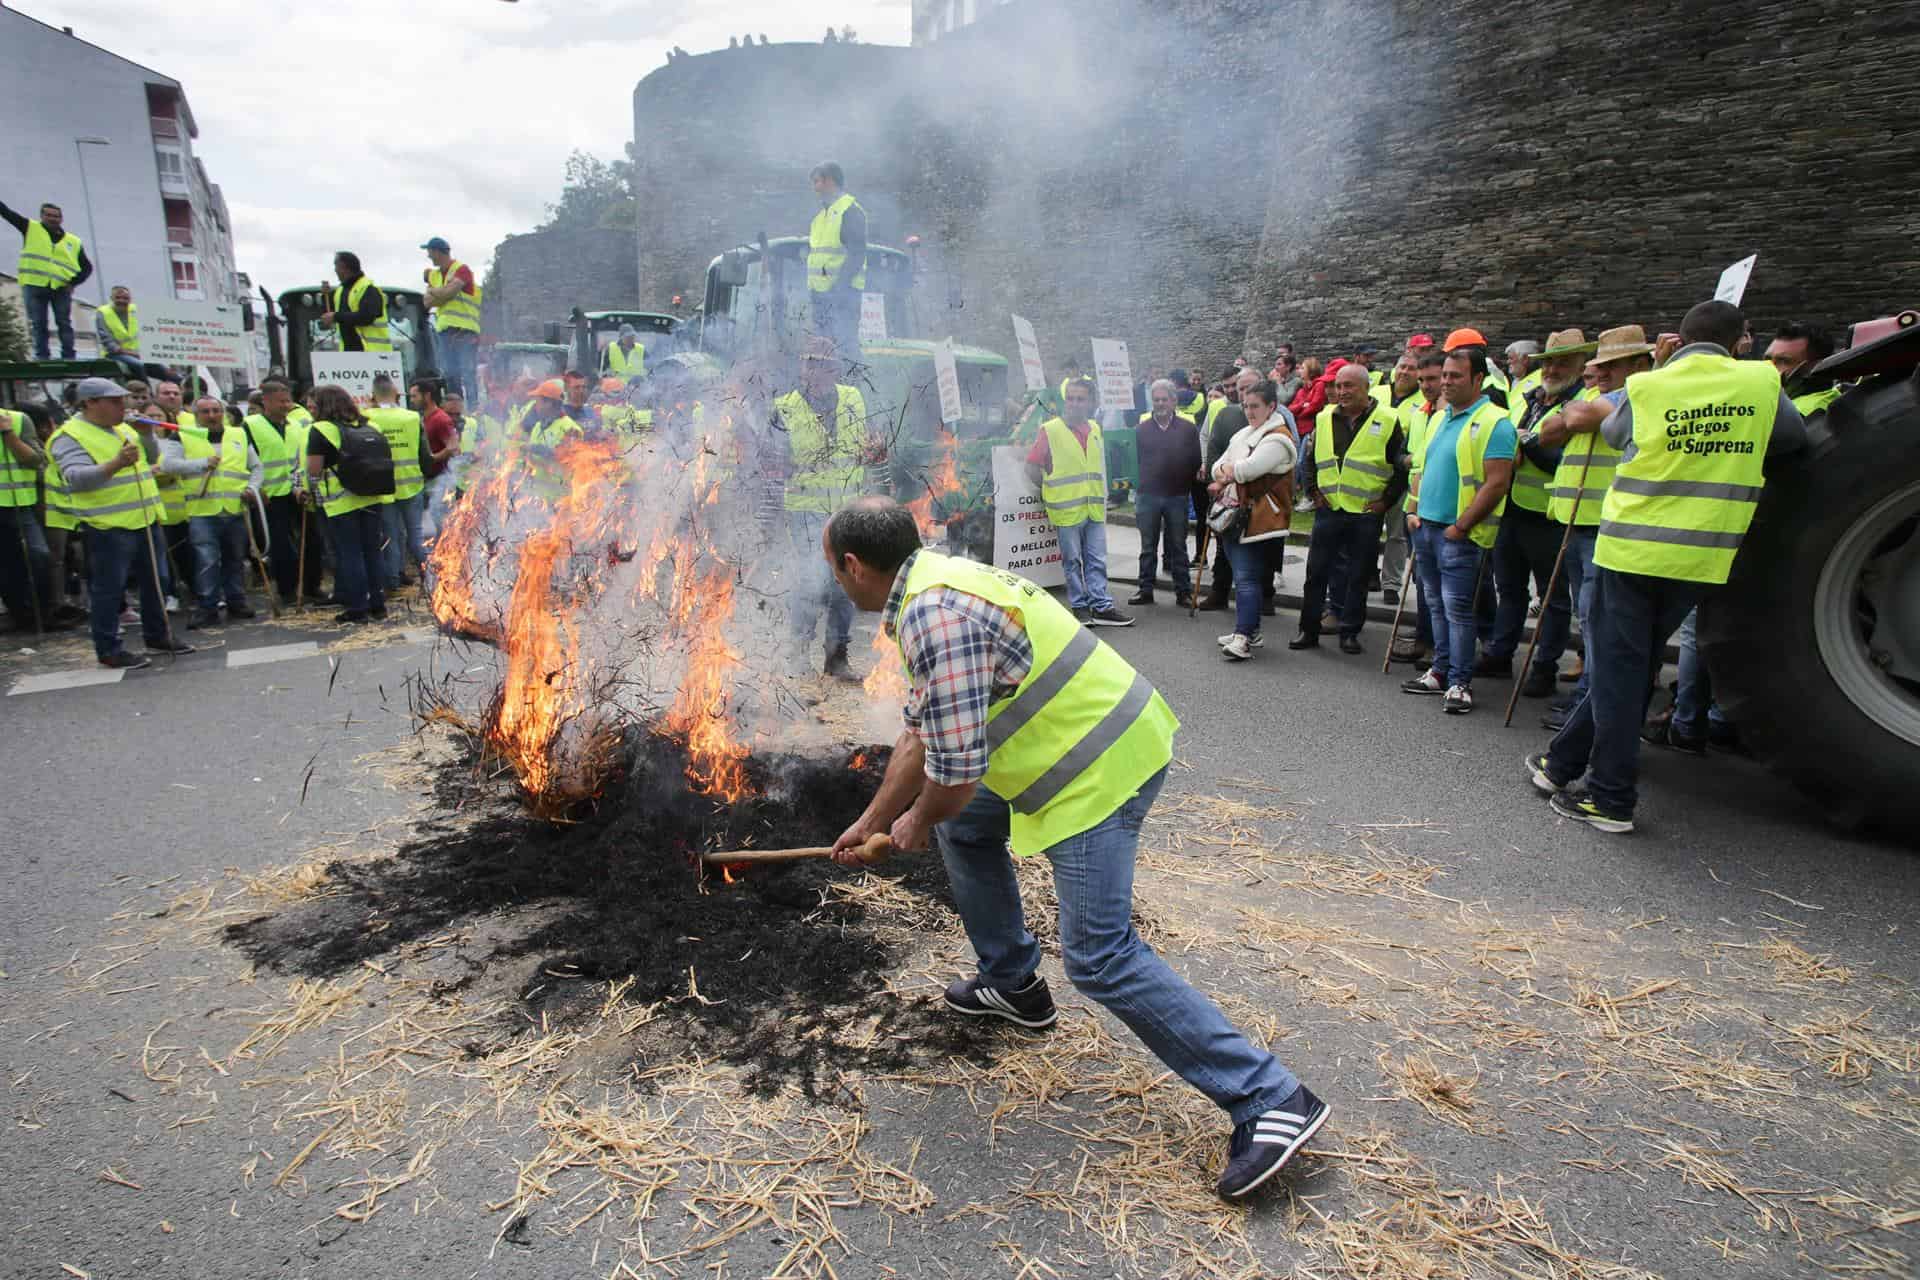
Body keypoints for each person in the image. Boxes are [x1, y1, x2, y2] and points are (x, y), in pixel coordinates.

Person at [823, 497, 1329, 1198]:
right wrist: (873, 815)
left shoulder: (934, 614)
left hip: (1100, 764)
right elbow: (921, 731)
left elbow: (958, 772)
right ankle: (1013, 983)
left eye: (835, 573)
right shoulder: (934, 580)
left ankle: (1268, 1097)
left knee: (1100, 956)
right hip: (1083, 746)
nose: (838, 585)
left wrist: (905, 830)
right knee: (964, 828)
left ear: (853, 565)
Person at [1526, 301, 1807, 832]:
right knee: (1629, 668)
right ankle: (1560, 764)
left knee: (1618, 673)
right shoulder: (1761, 384)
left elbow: (1615, 436)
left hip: (1631, 548)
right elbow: (1792, 440)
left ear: (1678, 340)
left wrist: (1663, 376)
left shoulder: (1650, 386)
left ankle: (1610, 798)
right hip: (1702, 552)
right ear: (1739, 339)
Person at [1536, 325, 1655, 731]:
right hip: (1574, 523)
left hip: (1608, 526)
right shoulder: (1593, 396)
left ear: (1640, 365)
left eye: (1612, 366)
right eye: (1599, 367)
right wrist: (1573, 416)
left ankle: (1588, 706)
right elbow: (1549, 432)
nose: (1601, 374)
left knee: (1597, 622)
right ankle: (1586, 701)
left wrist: (1577, 416)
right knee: (1586, 618)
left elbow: (1578, 418)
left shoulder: (1644, 396)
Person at [44, 378, 193, 667]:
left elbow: (149, 460)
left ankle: (157, 634)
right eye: (113, 401)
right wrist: (115, 463)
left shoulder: (123, 428)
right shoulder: (69, 436)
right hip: (108, 525)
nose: (122, 406)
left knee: (158, 582)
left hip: (144, 519)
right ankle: (109, 648)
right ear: (89, 403)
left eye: (122, 400)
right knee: (109, 589)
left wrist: (148, 435)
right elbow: (76, 478)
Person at [1477, 329, 1594, 698]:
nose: (1554, 369)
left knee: (1552, 598)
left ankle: (1544, 666)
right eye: (1550, 362)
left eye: (1563, 362)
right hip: (1512, 509)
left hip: (1549, 515)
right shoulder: (1531, 397)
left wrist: (1528, 445)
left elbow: (1565, 459)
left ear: (1579, 365)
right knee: (1509, 588)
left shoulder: (1582, 404)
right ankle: (1500, 652)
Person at [1401, 348, 1515, 714]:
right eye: (1445, 375)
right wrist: (1414, 510)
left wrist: (1461, 526)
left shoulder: (1495, 421)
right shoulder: (1438, 418)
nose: (1447, 382)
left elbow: (1497, 483)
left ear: (1478, 379)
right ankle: (1440, 670)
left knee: (1458, 611)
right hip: (1427, 527)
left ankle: (1459, 682)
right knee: (1435, 606)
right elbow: (1422, 466)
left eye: (1456, 376)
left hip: (1457, 534)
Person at [773, 340, 871, 678]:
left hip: (846, 508)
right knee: (810, 582)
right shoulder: (784, 408)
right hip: (805, 511)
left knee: (845, 583)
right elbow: (771, 459)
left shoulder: (853, 400)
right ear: (802, 368)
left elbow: (866, 441)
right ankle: (798, 654)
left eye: (823, 365)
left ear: (835, 369)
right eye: (810, 364)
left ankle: (837, 657)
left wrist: (873, 451)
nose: (816, 371)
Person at [1294, 365, 1407, 654]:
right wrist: (1314, 493)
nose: (1341, 392)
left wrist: (1385, 502)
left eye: (1349, 386)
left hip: (1365, 514)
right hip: (1329, 510)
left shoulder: (1388, 420)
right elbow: (1310, 460)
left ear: (1365, 388)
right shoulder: (1324, 417)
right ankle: (1309, 629)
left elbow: (1400, 468)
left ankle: (1349, 631)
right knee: (1316, 573)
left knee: (1358, 576)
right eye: (1338, 386)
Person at [1025, 379, 1131, 627]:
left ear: (1091, 402)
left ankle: (1101, 606)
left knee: (1097, 559)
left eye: (1080, 399)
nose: (1073, 404)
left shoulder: (1094, 428)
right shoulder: (1050, 430)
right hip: (1066, 509)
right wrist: (1046, 489)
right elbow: (1031, 466)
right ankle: (1080, 607)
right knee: (1072, 562)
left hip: (1093, 507)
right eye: (1070, 398)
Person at [1211, 379, 1296, 661]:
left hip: (1258, 516)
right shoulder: (1244, 434)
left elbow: (1248, 470)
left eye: (1255, 406)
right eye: (1246, 405)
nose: (1249, 411)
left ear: (1271, 406)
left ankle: (1244, 636)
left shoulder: (1278, 437)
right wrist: (1227, 470)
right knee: (1243, 576)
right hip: (1237, 513)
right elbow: (1216, 467)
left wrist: (1229, 471)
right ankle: (1251, 630)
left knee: (1247, 579)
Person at [164, 396, 262, 629]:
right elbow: (169, 465)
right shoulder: (182, 435)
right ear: (197, 416)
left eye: (216, 410)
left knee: (234, 559)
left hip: (234, 508)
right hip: (203, 510)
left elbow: (256, 466)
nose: (212, 415)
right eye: (206, 411)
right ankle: (207, 606)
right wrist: (200, 463)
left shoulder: (239, 434)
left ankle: (236, 601)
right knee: (207, 561)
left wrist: (252, 487)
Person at [303, 384, 389, 623]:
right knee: (372, 551)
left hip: (340, 501)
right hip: (372, 495)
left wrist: (307, 488)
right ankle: (378, 605)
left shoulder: (320, 429)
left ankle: (357, 608)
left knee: (350, 554)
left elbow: (314, 469)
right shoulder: (371, 425)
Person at [1389, 349, 1447, 667]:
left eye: (1433, 378)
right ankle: (1425, 638)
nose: (1426, 385)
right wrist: (1407, 460)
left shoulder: (1450, 414)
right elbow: (1403, 455)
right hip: (1416, 506)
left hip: (1442, 508)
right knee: (1423, 581)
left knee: (1440, 586)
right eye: (1422, 380)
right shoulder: (1420, 412)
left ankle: (1440, 646)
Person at [1129, 380, 1201, 609]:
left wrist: (1183, 483)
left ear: (1173, 401)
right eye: (1156, 399)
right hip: (1147, 496)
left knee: (1178, 546)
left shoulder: (1188, 429)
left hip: (1177, 495)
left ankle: (1184, 592)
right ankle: (1145, 589)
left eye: (1164, 399)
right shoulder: (1140, 430)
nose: (1160, 403)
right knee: (1148, 546)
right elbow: (1134, 463)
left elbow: (1195, 461)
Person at [3, 198, 92, 360]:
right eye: (49, 215)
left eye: (56, 216)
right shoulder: (30, 228)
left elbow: (87, 267)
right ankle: (42, 356)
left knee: (64, 323)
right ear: (42, 216)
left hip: (60, 288)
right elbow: (7, 213)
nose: (53, 219)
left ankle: (69, 356)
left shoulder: (74, 241)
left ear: (61, 219)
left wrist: (73, 282)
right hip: (34, 285)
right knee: (38, 324)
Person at [244, 380, 303, 605]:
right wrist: (257, 489)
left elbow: (299, 459)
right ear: (266, 401)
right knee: (280, 545)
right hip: (269, 495)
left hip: (294, 491)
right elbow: (247, 461)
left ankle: (306, 586)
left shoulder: (295, 426)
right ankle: (287, 590)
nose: (286, 405)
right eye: (281, 401)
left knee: (304, 541)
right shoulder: (251, 425)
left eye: (288, 400)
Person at [805, 162, 867, 369]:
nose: (815, 188)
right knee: (825, 353)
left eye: (817, 182)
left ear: (830, 181)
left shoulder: (850, 211)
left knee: (845, 348)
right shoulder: (819, 219)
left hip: (842, 297)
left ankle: (854, 391)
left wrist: (839, 289)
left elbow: (856, 254)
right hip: (821, 298)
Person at [366, 373, 426, 586]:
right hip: (411, 483)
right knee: (416, 534)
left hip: (383, 488)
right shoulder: (411, 417)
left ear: (373, 395)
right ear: (395, 394)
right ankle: (430, 575)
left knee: (391, 535)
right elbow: (423, 452)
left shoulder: (366, 417)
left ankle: (393, 579)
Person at [420, 237, 481, 397]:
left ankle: (473, 409)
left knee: (468, 372)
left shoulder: (462, 270)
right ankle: (456, 407)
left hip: (465, 330)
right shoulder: (434, 275)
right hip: (445, 331)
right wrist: (442, 293)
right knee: (449, 374)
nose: (429, 256)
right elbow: (426, 302)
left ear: (437, 251)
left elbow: (448, 293)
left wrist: (435, 291)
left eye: (430, 252)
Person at [413, 377, 461, 539]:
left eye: (414, 396)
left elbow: (454, 447)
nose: (412, 400)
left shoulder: (440, 419)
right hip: (431, 480)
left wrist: (432, 459)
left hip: (441, 480)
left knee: (444, 525)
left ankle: (450, 557)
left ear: (426, 396)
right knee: (434, 523)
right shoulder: (425, 417)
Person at [1764, 321, 1842, 416]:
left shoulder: (1803, 414)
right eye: (1767, 359)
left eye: (1783, 361)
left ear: (1813, 367)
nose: (1769, 367)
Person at [320, 251, 390, 353]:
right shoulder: (339, 291)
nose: (335, 270)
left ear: (345, 267)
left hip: (374, 356)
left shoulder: (368, 289)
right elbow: (328, 316)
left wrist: (336, 317)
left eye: (336, 266)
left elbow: (366, 317)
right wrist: (324, 296)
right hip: (349, 357)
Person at [94, 285, 156, 381]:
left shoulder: (136, 310)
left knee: (165, 371)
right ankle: (147, 393)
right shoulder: (103, 312)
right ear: (111, 298)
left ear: (130, 299)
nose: (122, 301)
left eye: (125, 298)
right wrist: (134, 354)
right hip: (114, 354)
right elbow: (109, 343)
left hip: (138, 354)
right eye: (118, 298)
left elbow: (151, 331)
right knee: (138, 365)